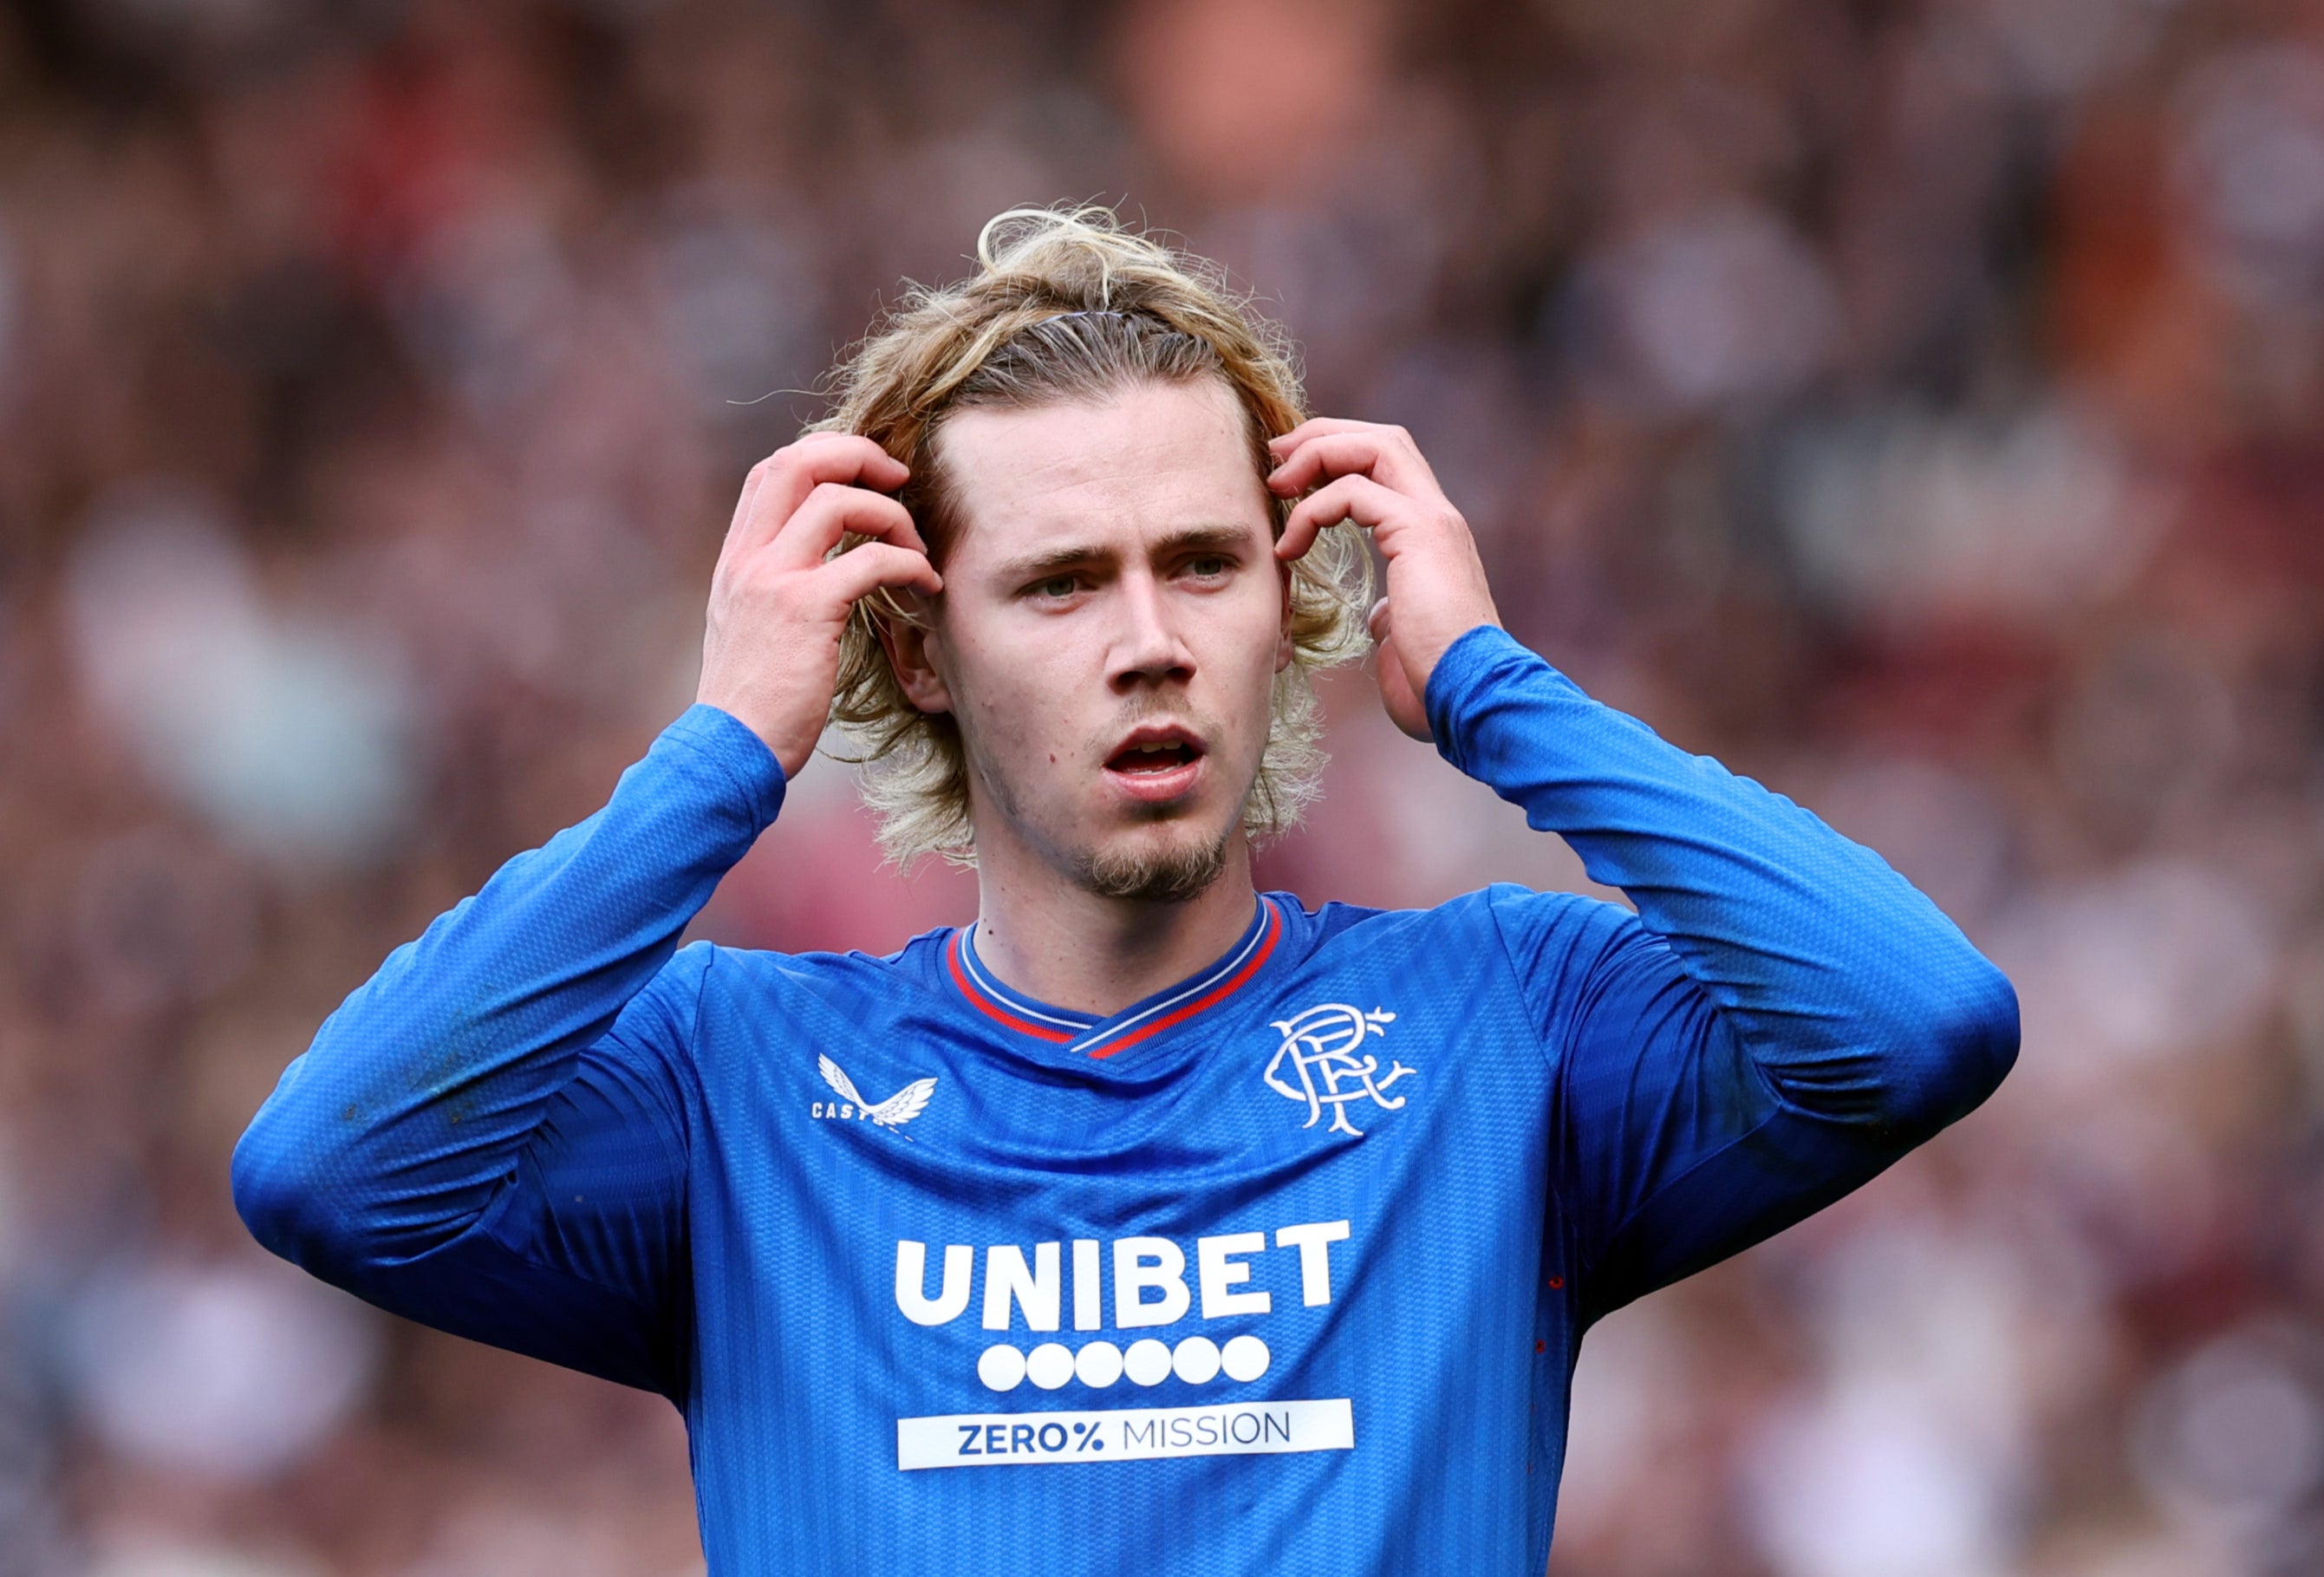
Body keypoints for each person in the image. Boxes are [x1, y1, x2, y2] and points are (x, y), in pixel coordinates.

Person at [232, 206, 2019, 1575]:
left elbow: (1916, 1016)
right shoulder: (739, 1087)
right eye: (1063, 583)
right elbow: (332, 1168)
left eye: (1203, 565)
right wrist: (722, 755)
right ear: (919, 652)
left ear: (1289, 592)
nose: (1152, 643)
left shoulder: (1502, 1030)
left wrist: (1489, 683)